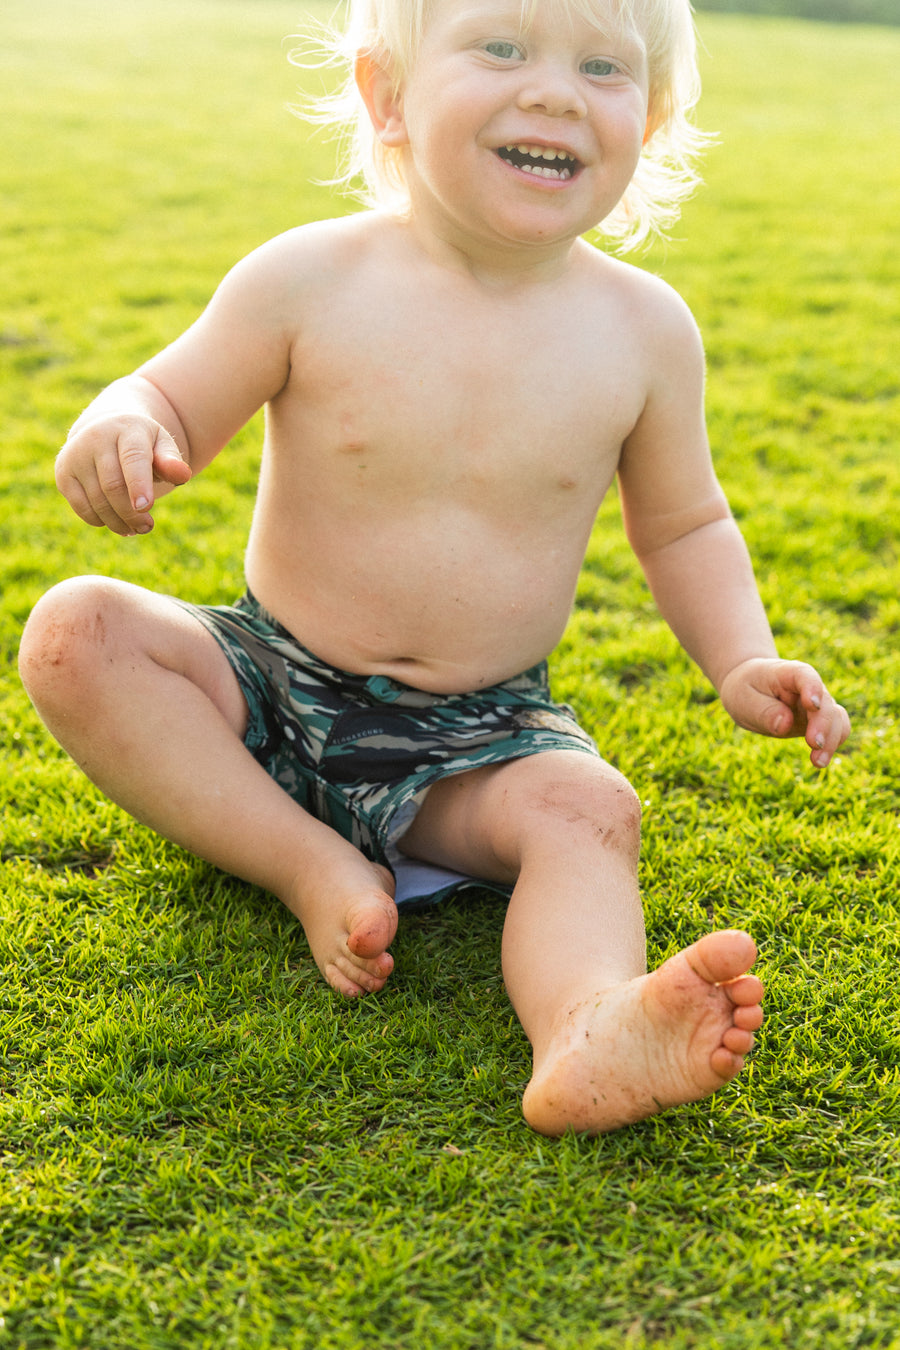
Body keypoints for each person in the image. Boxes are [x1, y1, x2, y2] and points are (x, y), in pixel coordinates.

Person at [18, 0, 850, 1135]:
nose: (554, 90)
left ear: (648, 123)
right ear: (387, 95)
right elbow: (170, 396)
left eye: (601, 67)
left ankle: (586, 1026)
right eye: (502, 48)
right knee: (77, 631)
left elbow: (686, 527)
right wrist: (120, 424)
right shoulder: (307, 278)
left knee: (588, 807)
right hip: (270, 683)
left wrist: (743, 657)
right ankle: (304, 862)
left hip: (477, 739)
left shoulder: (645, 333)